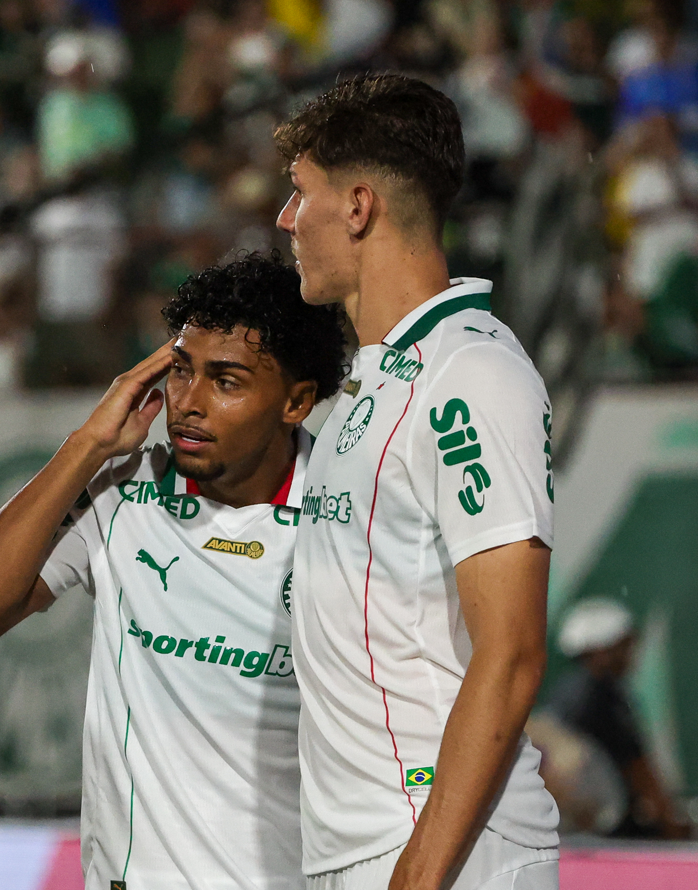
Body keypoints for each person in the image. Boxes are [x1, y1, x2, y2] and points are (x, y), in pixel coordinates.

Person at [0, 252, 349, 890]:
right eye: (181, 372)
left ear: (296, 402)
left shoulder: (348, 517)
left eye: (227, 381)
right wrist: (87, 446)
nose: (189, 403)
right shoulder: (126, 490)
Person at [275, 73, 561, 890]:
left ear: (359, 206)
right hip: (364, 850)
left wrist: (418, 877)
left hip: (442, 855)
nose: (286, 221)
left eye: (301, 194)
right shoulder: (372, 383)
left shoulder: (470, 372)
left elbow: (510, 652)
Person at [550, 597, 691, 839]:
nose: (631, 653)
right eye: (624, 645)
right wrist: (674, 829)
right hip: (604, 835)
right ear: (602, 649)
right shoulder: (603, 696)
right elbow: (639, 771)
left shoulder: (566, 691)